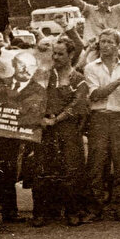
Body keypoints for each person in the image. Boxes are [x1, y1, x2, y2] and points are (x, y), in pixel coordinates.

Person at [31, 36, 90, 227]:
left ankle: (72, 211)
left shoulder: (78, 79)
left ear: (71, 55)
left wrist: (57, 119)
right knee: (42, 169)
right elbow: (32, 97)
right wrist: (40, 118)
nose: (55, 57)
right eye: (53, 53)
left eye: (60, 54)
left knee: (71, 169)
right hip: (45, 128)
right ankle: (41, 213)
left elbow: (77, 104)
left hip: (68, 129)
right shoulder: (43, 75)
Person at [84, 29, 120, 221]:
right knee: (96, 164)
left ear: (118, 45)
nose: (105, 45)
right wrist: (118, 82)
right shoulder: (91, 68)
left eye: (110, 42)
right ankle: (94, 208)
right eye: (102, 42)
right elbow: (95, 95)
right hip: (100, 118)